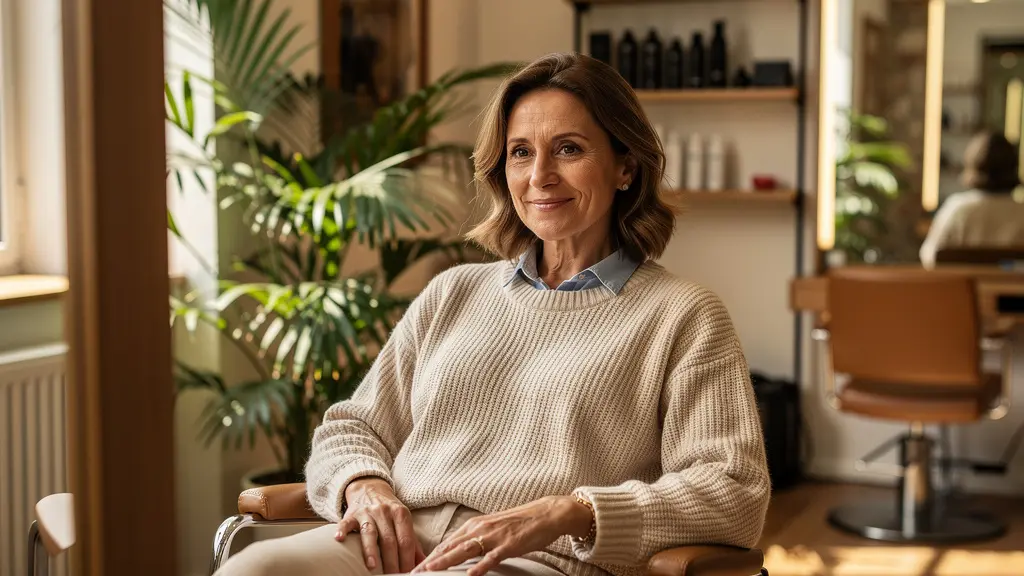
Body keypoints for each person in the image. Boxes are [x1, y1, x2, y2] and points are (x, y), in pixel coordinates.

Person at [216, 52, 770, 576]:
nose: (540, 176)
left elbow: (734, 490)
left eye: (570, 149)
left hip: (540, 561)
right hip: (392, 542)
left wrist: (572, 512)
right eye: (521, 152)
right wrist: (362, 484)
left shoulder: (683, 316)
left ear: (625, 166)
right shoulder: (452, 292)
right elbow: (353, 426)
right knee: (250, 569)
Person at [920, 131, 1024, 268]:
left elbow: (930, 258)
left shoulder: (957, 209)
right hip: (1012, 289)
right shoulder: (1021, 212)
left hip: (961, 289)